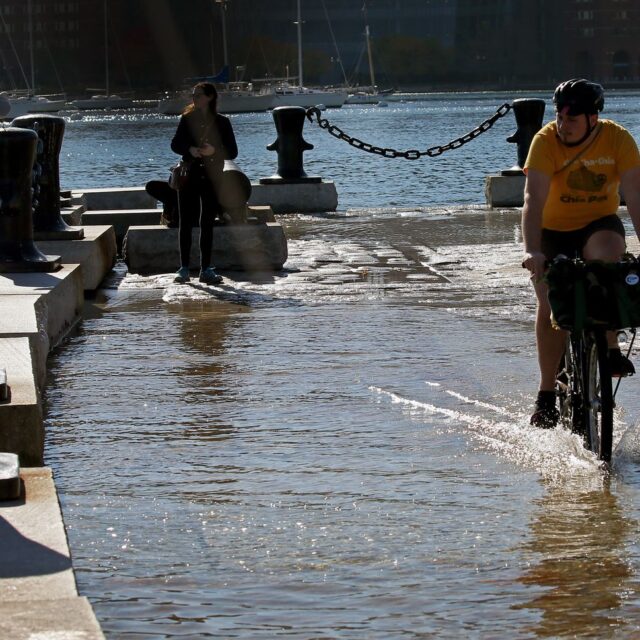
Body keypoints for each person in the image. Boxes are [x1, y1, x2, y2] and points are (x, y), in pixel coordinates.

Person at [522, 78, 640, 428]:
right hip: (552, 230)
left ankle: (609, 347)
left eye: (573, 117)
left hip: (596, 223)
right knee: (551, 302)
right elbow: (533, 201)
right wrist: (532, 251)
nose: (564, 123)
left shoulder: (617, 139)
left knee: (609, 260)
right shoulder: (544, 142)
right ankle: (546, 394)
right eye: (560, 114)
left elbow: (635, 198)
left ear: (593, 118)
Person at [170, 82, 238, 284]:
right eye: (193, 95)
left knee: (207, 221)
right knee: (185, 221)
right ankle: (183, 268)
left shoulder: (223, 122)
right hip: (188, 174)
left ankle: (205, 268)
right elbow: (175, 144)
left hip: (212, 176)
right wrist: (190, 149)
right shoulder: (187, 119)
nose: (194, 98)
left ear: (210, 97)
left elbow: (233, 151)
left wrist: (214, 151)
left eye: (198, 95)